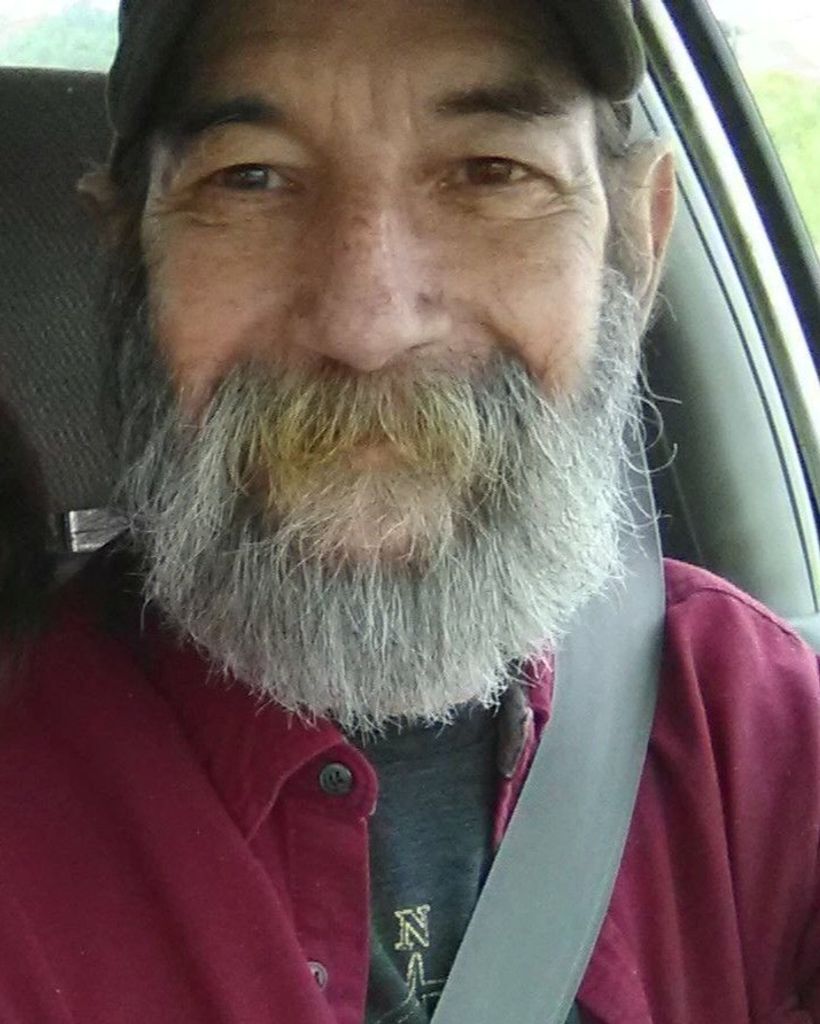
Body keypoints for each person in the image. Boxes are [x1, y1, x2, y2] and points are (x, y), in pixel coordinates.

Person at [0, 0, 818, 1021]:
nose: (368, 324)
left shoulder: (758, 735)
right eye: (250, 179)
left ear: (638, 245)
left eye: (491, 172)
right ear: (126, 266)